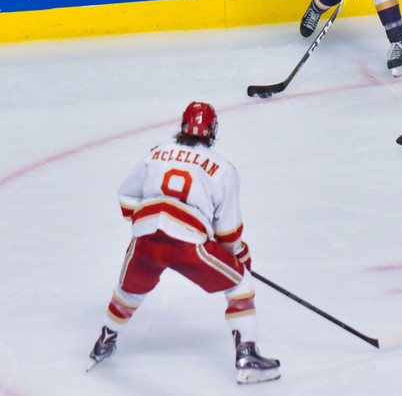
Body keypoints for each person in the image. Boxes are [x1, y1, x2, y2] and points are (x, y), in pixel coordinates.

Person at [87, 102, 281, 385]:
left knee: (128, 291)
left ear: (183, 127)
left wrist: (149, 223)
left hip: (145, 239)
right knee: (240, 282)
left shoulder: (155, 153)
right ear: (212, 131)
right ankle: (247, 357)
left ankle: (104, 341)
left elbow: (126, 197)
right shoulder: (223, 169)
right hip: (188, 245)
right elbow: (227, 233)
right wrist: (241, 258)